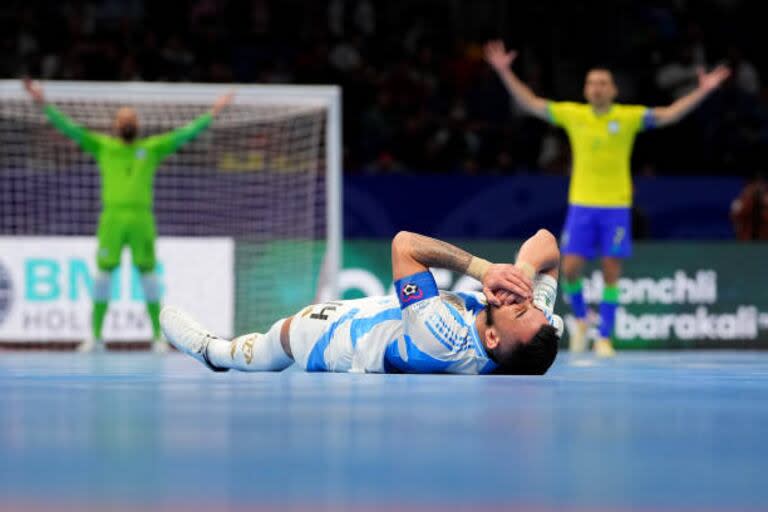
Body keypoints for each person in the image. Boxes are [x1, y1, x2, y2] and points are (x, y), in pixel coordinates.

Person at [484, 40, 731, 357]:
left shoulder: (628, 117)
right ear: (586, 90)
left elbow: (670, 114)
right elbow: (530, 103)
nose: (596, 87)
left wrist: (704, 89)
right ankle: (583, 319)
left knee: (612, 271)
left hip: (615, 207)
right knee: (570, 268)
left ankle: (604, 336)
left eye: (603, 83)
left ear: (613, 90)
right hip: (582, 207)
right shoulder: (573, 114)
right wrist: (505, 71)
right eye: (591, 82)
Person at [161, 229, 563, 375]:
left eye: (520, 309)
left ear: (491, 340)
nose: (521, 301)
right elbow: (548, 245)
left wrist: (483, 269)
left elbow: (404, 245)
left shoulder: (441, 340)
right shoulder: (531, 330)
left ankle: (213, 353)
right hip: (380, 315)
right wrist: (524, 272)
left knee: (280, 338)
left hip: (338, 341)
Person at [23, 78, 234, 352]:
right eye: (122, 119)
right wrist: (42, 103)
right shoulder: (103, 146)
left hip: (141, 220)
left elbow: (186, 133)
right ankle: (96, 337)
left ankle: (158, 337)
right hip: (112, 219)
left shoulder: (153, 148)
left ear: (137, 125)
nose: (126, 122)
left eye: (130, 118)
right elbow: (68, 128)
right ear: (115, 126)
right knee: (102, 277)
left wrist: (214, 113)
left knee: (148, 277)